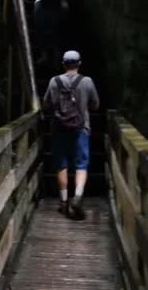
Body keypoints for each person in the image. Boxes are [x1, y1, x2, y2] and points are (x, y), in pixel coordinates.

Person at [43, 51, 100, 220]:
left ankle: (63, 202)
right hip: (81, 128)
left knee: (61, 165)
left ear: (63, 64)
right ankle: (78, 196)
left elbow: (46, 104)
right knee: (81, 165)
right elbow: (96, 105)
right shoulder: (87, 81)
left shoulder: (54, 81)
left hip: (59, 128)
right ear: (79, 63)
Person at [27, 0, 70, 67]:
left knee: (41, 30)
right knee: (57, 30)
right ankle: (57, 56)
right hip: (57, 5)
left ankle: (44, 55)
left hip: (40, 6)